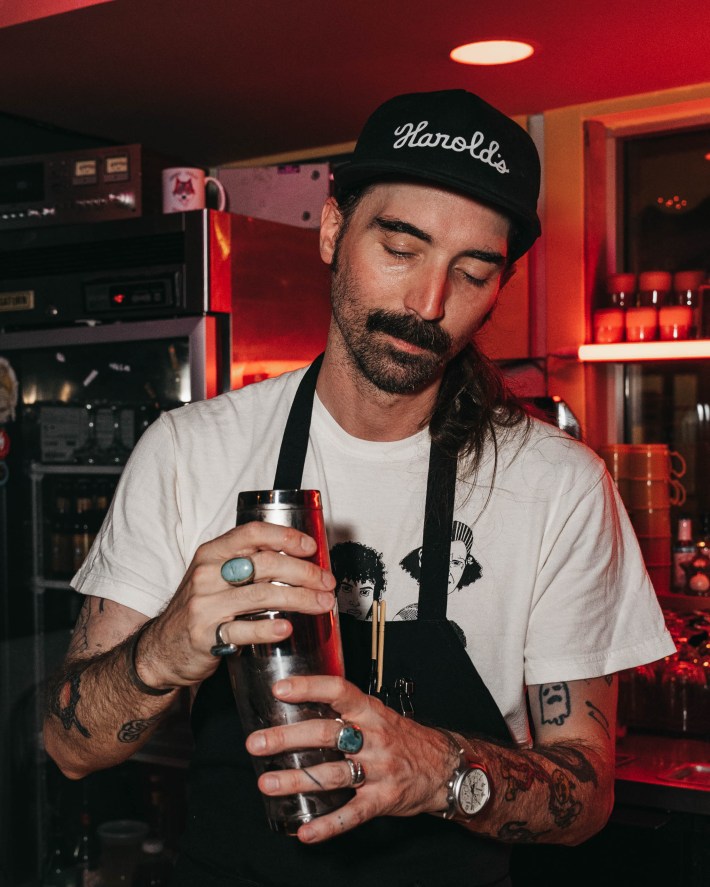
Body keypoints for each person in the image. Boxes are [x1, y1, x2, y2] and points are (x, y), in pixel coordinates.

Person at [43, 89, 675, 887]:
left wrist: (437, 767)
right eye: (401, 248)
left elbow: (587, 794)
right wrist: (170, 644)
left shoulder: (560, 486)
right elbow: (70, 747)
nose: (428, 303)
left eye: (472, 271)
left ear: (499, 289)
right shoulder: (189, 452)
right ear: (335, 230)